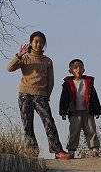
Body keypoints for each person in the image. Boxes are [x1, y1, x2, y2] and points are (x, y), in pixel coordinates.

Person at [6, 31, 71, 160]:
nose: (39, 44)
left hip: (41, 96)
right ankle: (32, 152)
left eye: (41, 42)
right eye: (36, 42)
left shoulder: (47, 61)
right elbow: (9, 68)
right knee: (27, 124)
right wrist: (19, 55)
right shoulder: (25, 58)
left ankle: (57, 151)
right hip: (25, 95)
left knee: (49, 122)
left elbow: (51, 81)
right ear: (31, 43)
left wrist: (47, 95)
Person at [59, 58, 101, 158]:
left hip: (88, 111)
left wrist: (97, 110)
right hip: (74, 112)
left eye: (80, 67)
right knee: (74, 131)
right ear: (70, 71)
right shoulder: (68, 83)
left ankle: (95, 149)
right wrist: (63, 112)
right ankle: (71, 150)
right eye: (75, 67)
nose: (78, 69)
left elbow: (94, 97)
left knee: (91, 130)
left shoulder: (88, 82)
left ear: (84, 70)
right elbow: (64, 98)